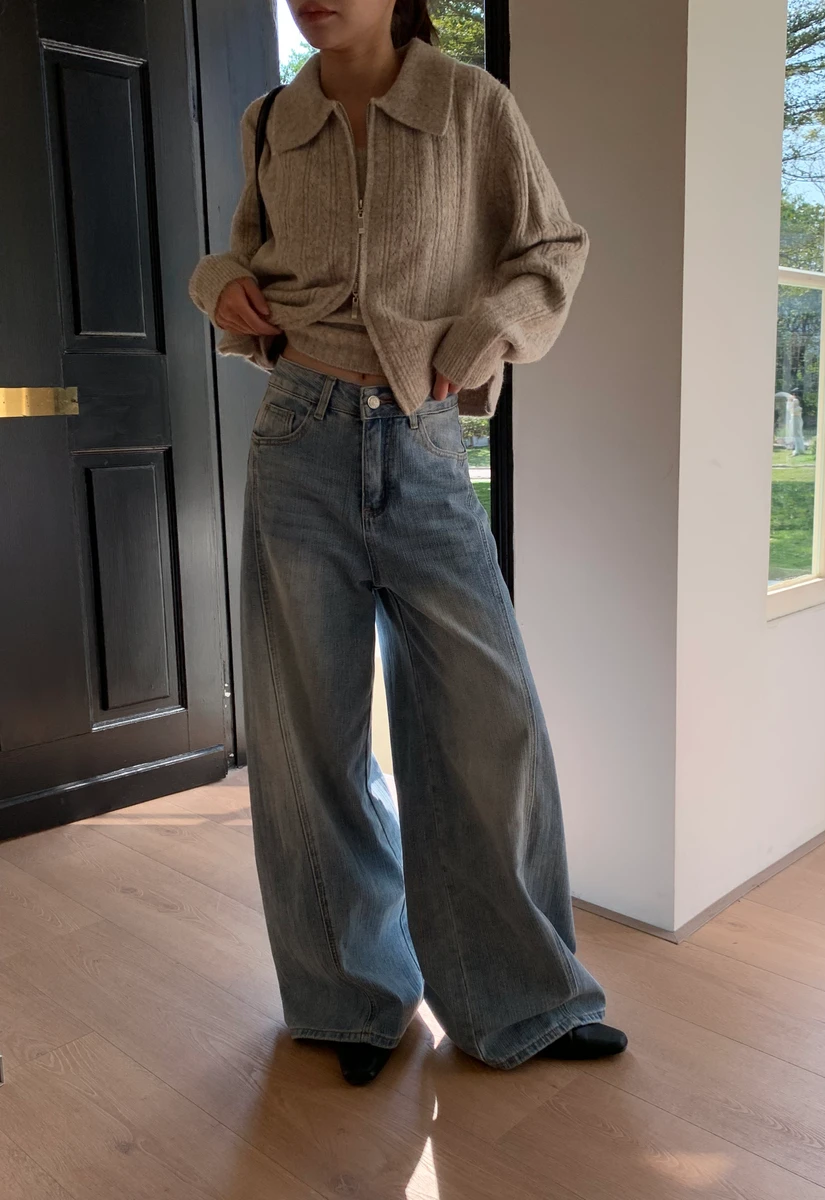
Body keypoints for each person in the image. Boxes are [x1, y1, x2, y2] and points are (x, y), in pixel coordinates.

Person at [187, 0, 627, 1086]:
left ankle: (521, 997)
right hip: (298, 441)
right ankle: (350, 1000)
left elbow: (551, 248)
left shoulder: (470, 104)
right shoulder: (269, 119)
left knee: (488, 725)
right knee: (309, 737)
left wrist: (487, 334)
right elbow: (244, 254)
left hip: (422, 444)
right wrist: (217, 285)